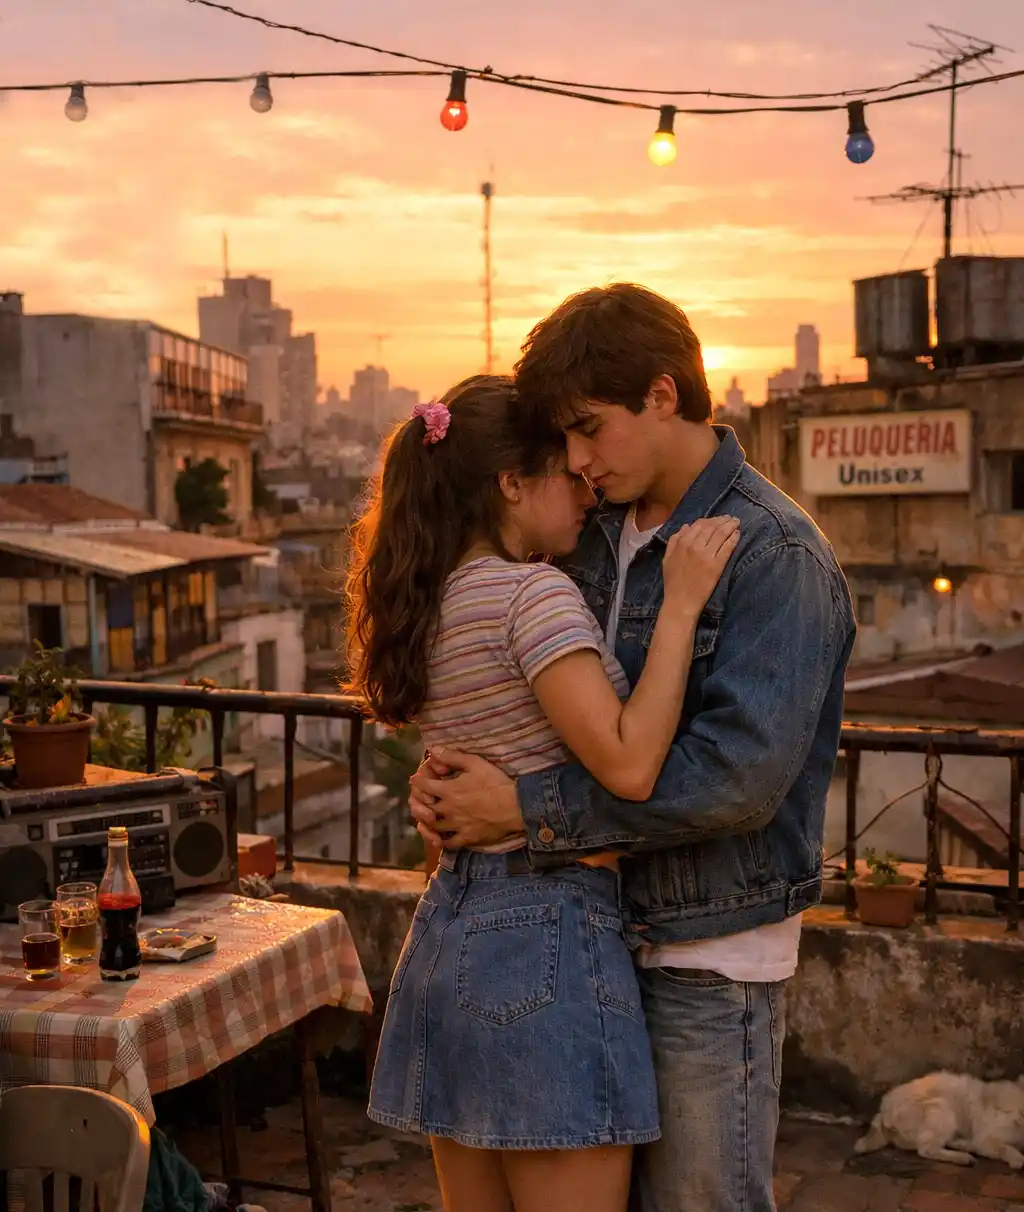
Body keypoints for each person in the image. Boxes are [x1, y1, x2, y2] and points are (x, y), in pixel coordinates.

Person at [409, 284, 857, 1212]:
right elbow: (533, 700)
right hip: (584, 938)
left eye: (589, 430)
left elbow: (736, 782)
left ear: (662, 396)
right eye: (561, 444)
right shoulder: (586, 532)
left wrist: (526, 811)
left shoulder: (775, 554)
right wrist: (450, 778)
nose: (576, 461)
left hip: (707, 952)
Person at [344, 374, 740, 1212]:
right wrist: (680, 608)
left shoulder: (433, 602)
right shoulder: (531, 594)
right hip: (546, 943)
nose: (586, 492)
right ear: (512, 484)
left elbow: (446, 814)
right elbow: (629, 767)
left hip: (450, 934)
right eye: (565, 472)